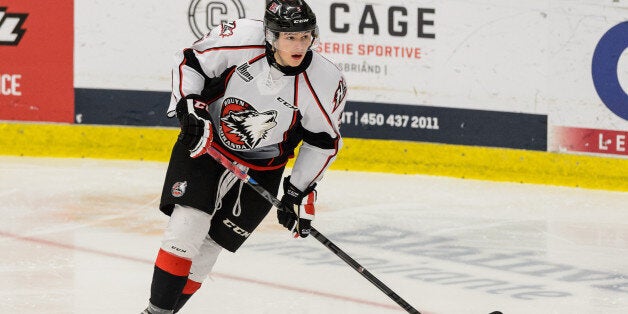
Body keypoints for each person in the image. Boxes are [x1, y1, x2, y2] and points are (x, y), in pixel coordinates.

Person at [141, 0, 347, 313]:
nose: (299, 45)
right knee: (189, 225)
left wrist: (297, 190)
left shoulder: (325, 80)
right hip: (207, 143)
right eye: (290, 37)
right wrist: (190, 107)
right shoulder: (239, 39)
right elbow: (191, 63)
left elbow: (323, 141)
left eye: (305, 37)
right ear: (270, 35)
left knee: (211, 248)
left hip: (265, 165)